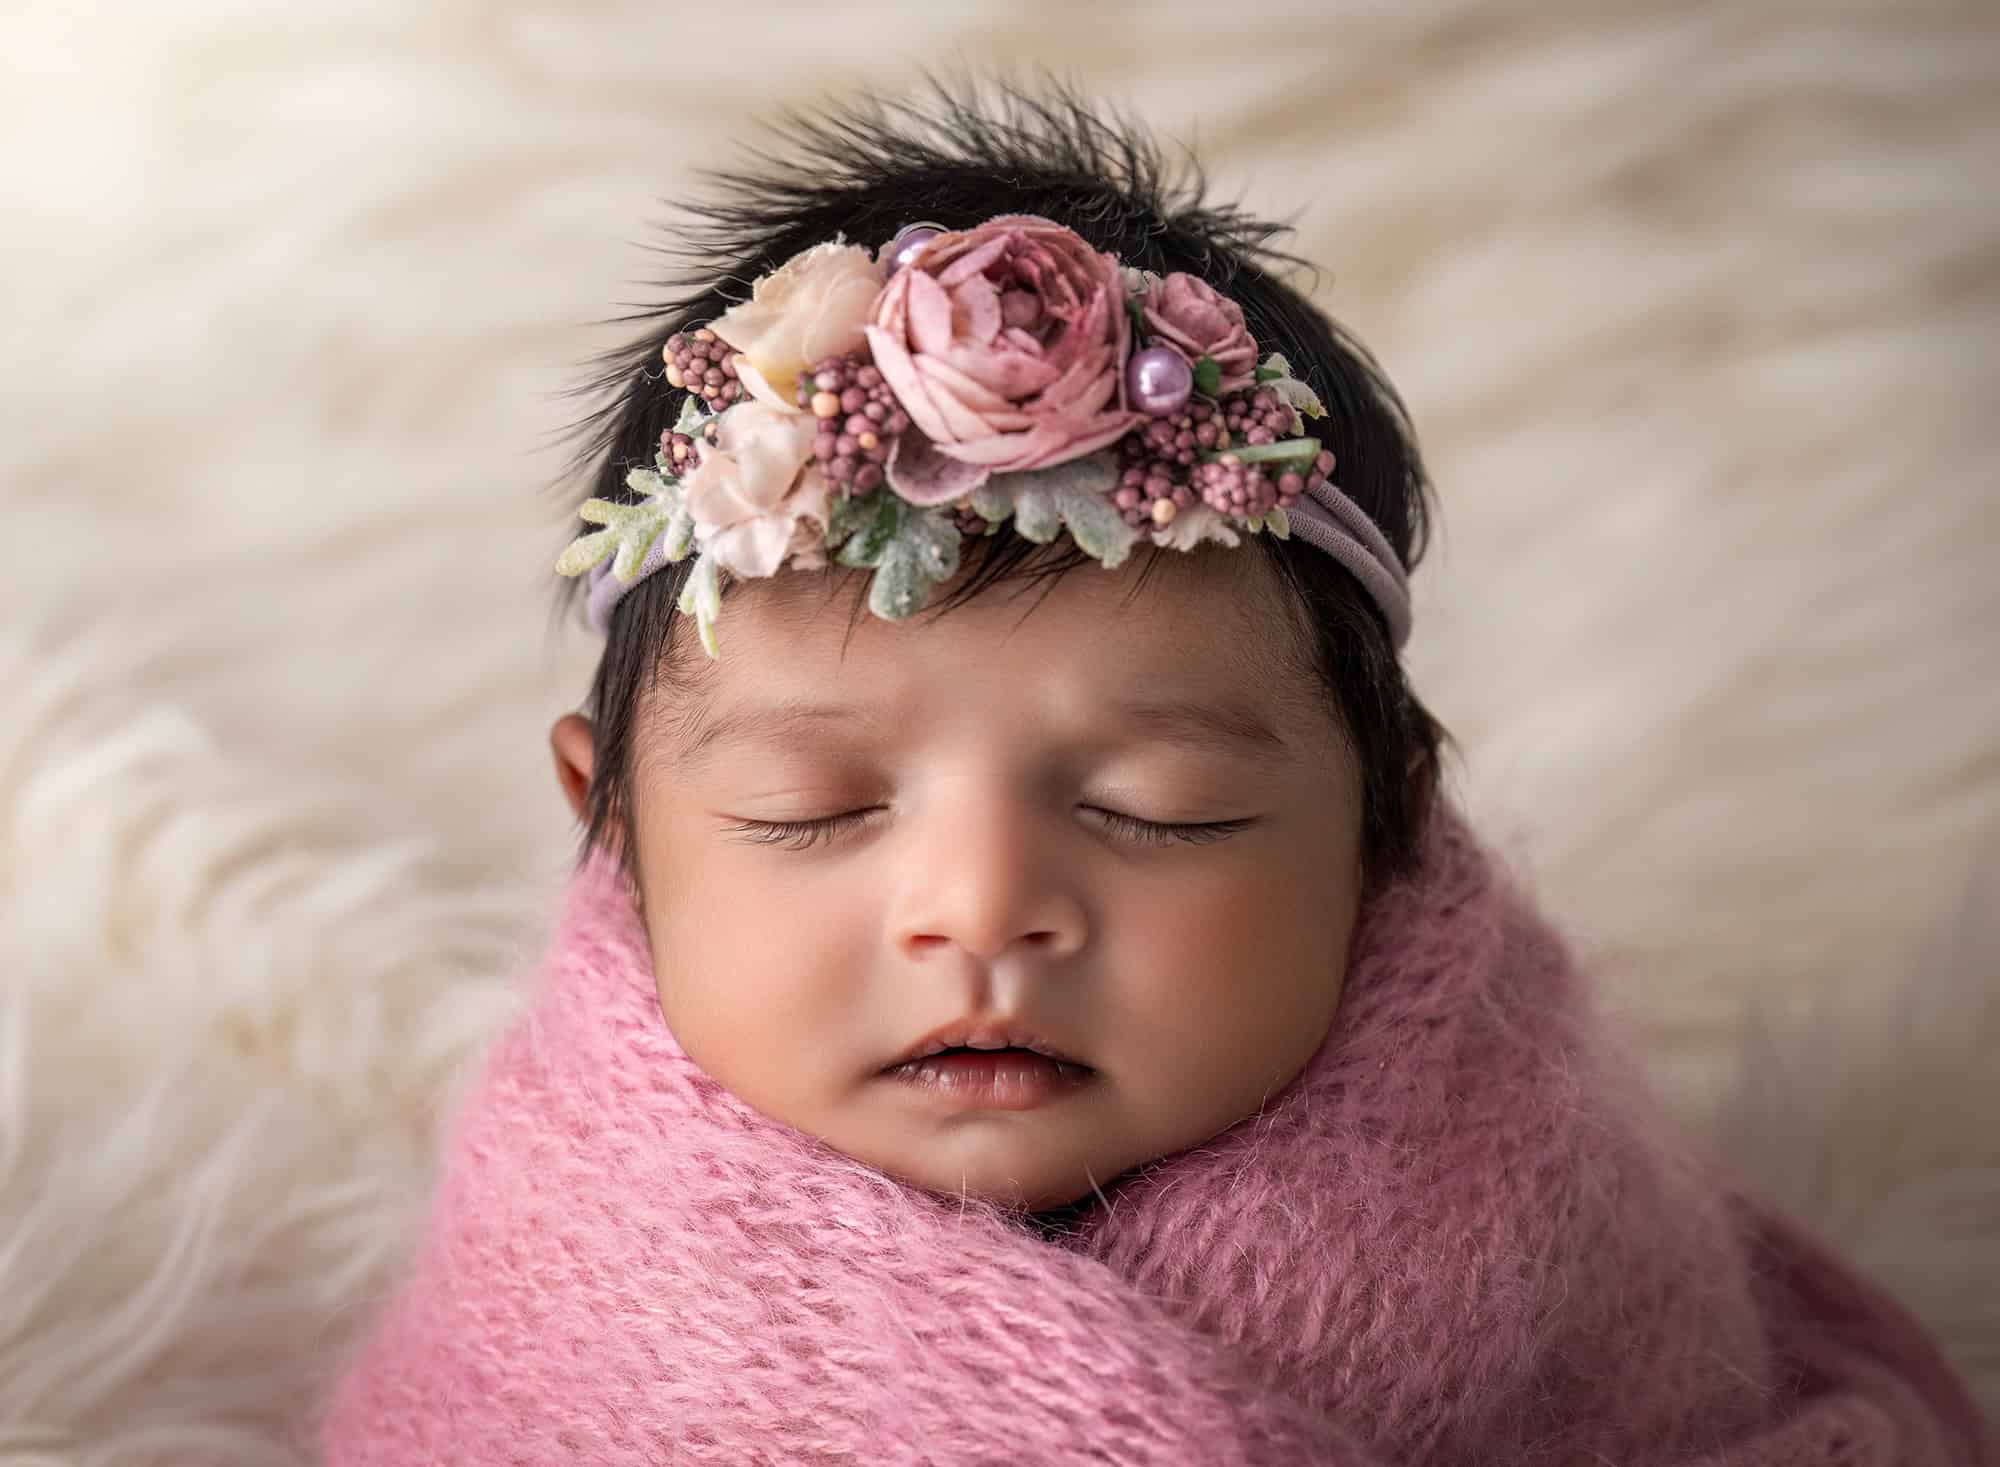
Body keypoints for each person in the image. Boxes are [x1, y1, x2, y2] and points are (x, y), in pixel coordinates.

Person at [313, 80, 1992, 1464]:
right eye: (810, 812)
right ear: (608, 829)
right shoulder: (568, 1275)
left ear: (1391, 826)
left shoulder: (1553, 1229)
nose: (983, 908)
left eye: (1154, 809)